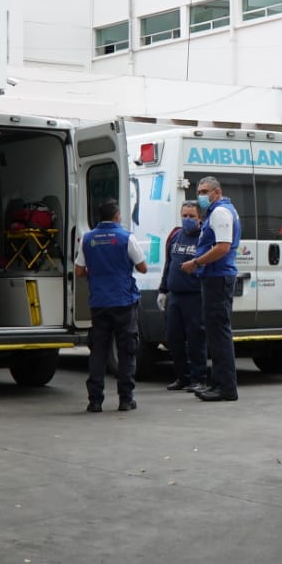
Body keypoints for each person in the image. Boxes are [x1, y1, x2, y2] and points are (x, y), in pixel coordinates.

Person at [74, 199, 148, 412]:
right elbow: (142, 268)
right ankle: (126, 399)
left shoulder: (88, 239)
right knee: (126, 351)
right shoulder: (126, 238)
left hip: (99, 303)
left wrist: (98, 273)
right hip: (123, 302)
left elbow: (79, 272)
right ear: (117, 216)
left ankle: (95, 401)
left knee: (98, 352)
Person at [181, 176, 241, 402]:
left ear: (217, 192)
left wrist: (196, 262)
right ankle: (217, 382)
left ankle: (226, 388)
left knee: (219, 334)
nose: (201, 196)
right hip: (214, 277)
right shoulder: (219, 211)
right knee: (215, 334)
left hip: (218, 277)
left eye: (205, 191)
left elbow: (223, 247)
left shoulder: (220, 213)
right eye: (199, 191)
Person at [158, 201, 207, 391]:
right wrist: (163, 290)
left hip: (195, 295)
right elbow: (168, 264)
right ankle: (182, 377)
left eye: (191, 216)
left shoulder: (203, 238)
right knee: (174, 338)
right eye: (184, 215)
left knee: (196, 339)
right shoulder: (176, 236)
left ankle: (199, 378)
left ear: (199, 219)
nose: (187, 219)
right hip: (175, 296)